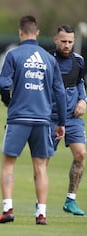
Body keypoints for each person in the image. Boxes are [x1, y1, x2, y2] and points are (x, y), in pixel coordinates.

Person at [0, 15, 66, 225]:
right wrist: (61, 122)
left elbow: (3, 84)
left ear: (20, 32)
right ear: (38, 33)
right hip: (43, 119)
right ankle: (41, 213)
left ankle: (8, 209)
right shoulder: (49, 58)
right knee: (41, 167)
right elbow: (59, 92)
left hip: (18, 117)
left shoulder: (14, 55)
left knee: (8, 165)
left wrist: (8, 102)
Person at [50, 24, 86, 216]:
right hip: (51, 118)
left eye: (70, 42)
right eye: (63, 41)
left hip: (73, 118)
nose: (67, 45)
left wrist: (83, 100)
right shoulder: (47, 60)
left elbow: (80, 83)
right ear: (56, 40)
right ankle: (41, 205)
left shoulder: (79, 61)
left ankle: (70, 200)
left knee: (81, 154)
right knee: (43, 160)